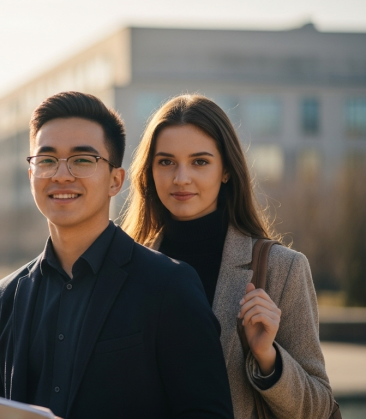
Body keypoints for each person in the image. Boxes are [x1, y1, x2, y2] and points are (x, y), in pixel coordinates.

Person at [0, 91, 234, 418]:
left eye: (82, 160)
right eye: (47, 160)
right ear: (31, 175)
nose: (61, 174)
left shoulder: (169, 285)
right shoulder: (7, 297)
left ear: (115, 180)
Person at [122, 94, 334, 418]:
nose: (181, 178)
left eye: (200, 161)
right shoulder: (125, 268)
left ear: (226, 171)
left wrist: (267, 357)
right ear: (149, 171)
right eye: (166, 161)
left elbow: (319, 408)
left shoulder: (283, 268)